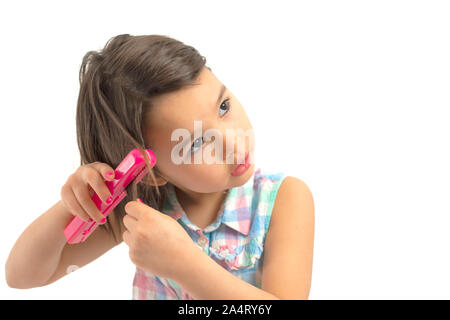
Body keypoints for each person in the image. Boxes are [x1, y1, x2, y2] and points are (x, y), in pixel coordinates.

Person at [5, 34, 315, 300]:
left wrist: (185, 266)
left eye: (224, 107)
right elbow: (24, 276)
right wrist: (73, 204)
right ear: (150, 172)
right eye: (196, 143)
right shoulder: (140, 212)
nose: (234, 143)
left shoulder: (283, 199)